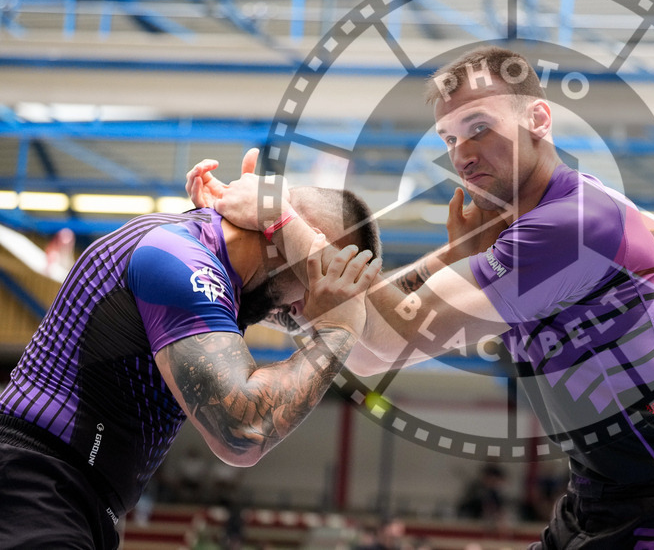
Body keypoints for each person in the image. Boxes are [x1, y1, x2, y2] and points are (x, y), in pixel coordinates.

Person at [191, 45, 654, 548]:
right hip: (601, 501)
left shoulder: (573, 226)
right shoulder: (524, 235)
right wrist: (289, 275)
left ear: (538, 119)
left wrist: (284, 225)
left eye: (479, 126)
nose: (463, 153)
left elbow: (394, 329)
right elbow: (370, 349)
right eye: (450, 139)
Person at [0, 157, 382, 549]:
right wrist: (337, 330)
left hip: (62, 494)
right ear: (288, 240)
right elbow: (243, 431)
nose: (303, 308)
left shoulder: (210, 266)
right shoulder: (181, 259)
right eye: (316, 279)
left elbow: (376, 343)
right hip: (35, 486)